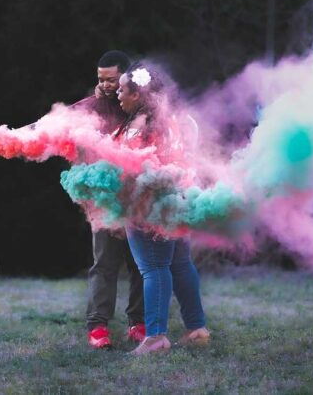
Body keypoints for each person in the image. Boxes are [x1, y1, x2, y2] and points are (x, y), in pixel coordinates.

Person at [113, 65, 210, 355]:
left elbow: (126, 167)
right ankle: (197, 329)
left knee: (154, 267)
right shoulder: (180, 120)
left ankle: (156, 337)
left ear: (137, 94)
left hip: (149, 204)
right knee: (180, 263)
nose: (117, 94)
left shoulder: (138, 125)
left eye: (122, 89)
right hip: (181, 197)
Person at [71, 51, 145, 349]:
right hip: (103, 198)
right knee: (103, 264)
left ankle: (139, 323)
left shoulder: (139, 104)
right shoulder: (88, 108)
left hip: (139, 197)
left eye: (111, 80)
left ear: (126, 78)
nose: (104, 85)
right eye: (100, 79)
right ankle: (98, 327)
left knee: (141, 264)